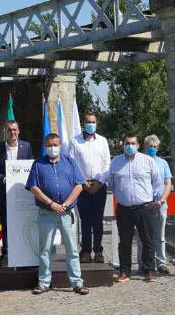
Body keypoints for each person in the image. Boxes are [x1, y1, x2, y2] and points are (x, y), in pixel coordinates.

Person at [26, 133, 90, 295]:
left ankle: (77, 282)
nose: (52, 148)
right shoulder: (38, 164)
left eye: (55, 145)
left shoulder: (70, 162)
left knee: (72, 248)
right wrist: (51, 204)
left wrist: (65, 204)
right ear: (45, 146)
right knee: (45, 249)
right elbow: (33, 187)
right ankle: (44, 283)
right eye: (49, 145)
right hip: (47, 212)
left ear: (60, 146)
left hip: (67, 213)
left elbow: (79, 185)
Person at [107, 135, 162, 283]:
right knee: (124, 241)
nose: (130, 146)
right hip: (124, 208)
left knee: (147, 240)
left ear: (138, 145)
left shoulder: (148, 161)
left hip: (144, 207)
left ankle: (149, 270)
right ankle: (124, 272)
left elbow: (157, 182)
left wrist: (148, 197)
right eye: (127, 143)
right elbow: (111, 182)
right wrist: (123, 194)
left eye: (133, 143)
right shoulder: (115, 162)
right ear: (123, 145)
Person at [0, 119, 33, 265]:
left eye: (14, 130)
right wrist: (3, 178)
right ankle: (6, 252)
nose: (12, 132)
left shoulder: (26, 146)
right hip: (4, 192)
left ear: (18, 131)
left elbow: (30, 166)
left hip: (22, 193)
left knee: (22, 222)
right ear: (5, 132)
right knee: (6, 224)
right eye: (9, 130)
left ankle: (23, 251)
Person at [67, 113, 110, 264]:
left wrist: (100, 182)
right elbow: (72, 164)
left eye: (93, 122)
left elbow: (107, 164)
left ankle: (98, 251)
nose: (91, 124)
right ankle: (85, 251)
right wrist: (83, 183)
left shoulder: (103, 141)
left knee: (98, 220)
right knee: (85, 220)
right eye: (88, 122)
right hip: (82, 186)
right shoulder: (75, 141)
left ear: (96, 123)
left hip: (99, 185)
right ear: (83, 123)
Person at [136, 135, 174, 274]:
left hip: (160, 204)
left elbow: (168, 183)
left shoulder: (163, 163)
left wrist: (161, 200)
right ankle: (142, 263)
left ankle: (161, 262)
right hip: (143, 205)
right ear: (145, 147)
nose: (152, 149)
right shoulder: (138, 161)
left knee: (159, 235)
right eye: (149, 146)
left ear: (158, 148)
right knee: (142, 236)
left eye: (154, 147)